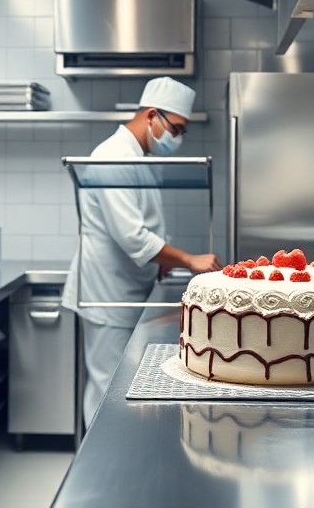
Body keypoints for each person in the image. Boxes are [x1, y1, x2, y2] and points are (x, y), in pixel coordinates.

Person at [62, 77, 220, 427]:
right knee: (107, 385)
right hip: (107, 292)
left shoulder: (138, 154)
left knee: (122, 382)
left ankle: (117, 459)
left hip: (128, 287)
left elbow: (142, 225)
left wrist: (160, 262)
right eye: (176, 129)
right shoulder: (113, 157)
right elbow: (132, 236)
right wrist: (188, 260)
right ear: (152, 116)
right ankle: (100, 467)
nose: (177, 138)